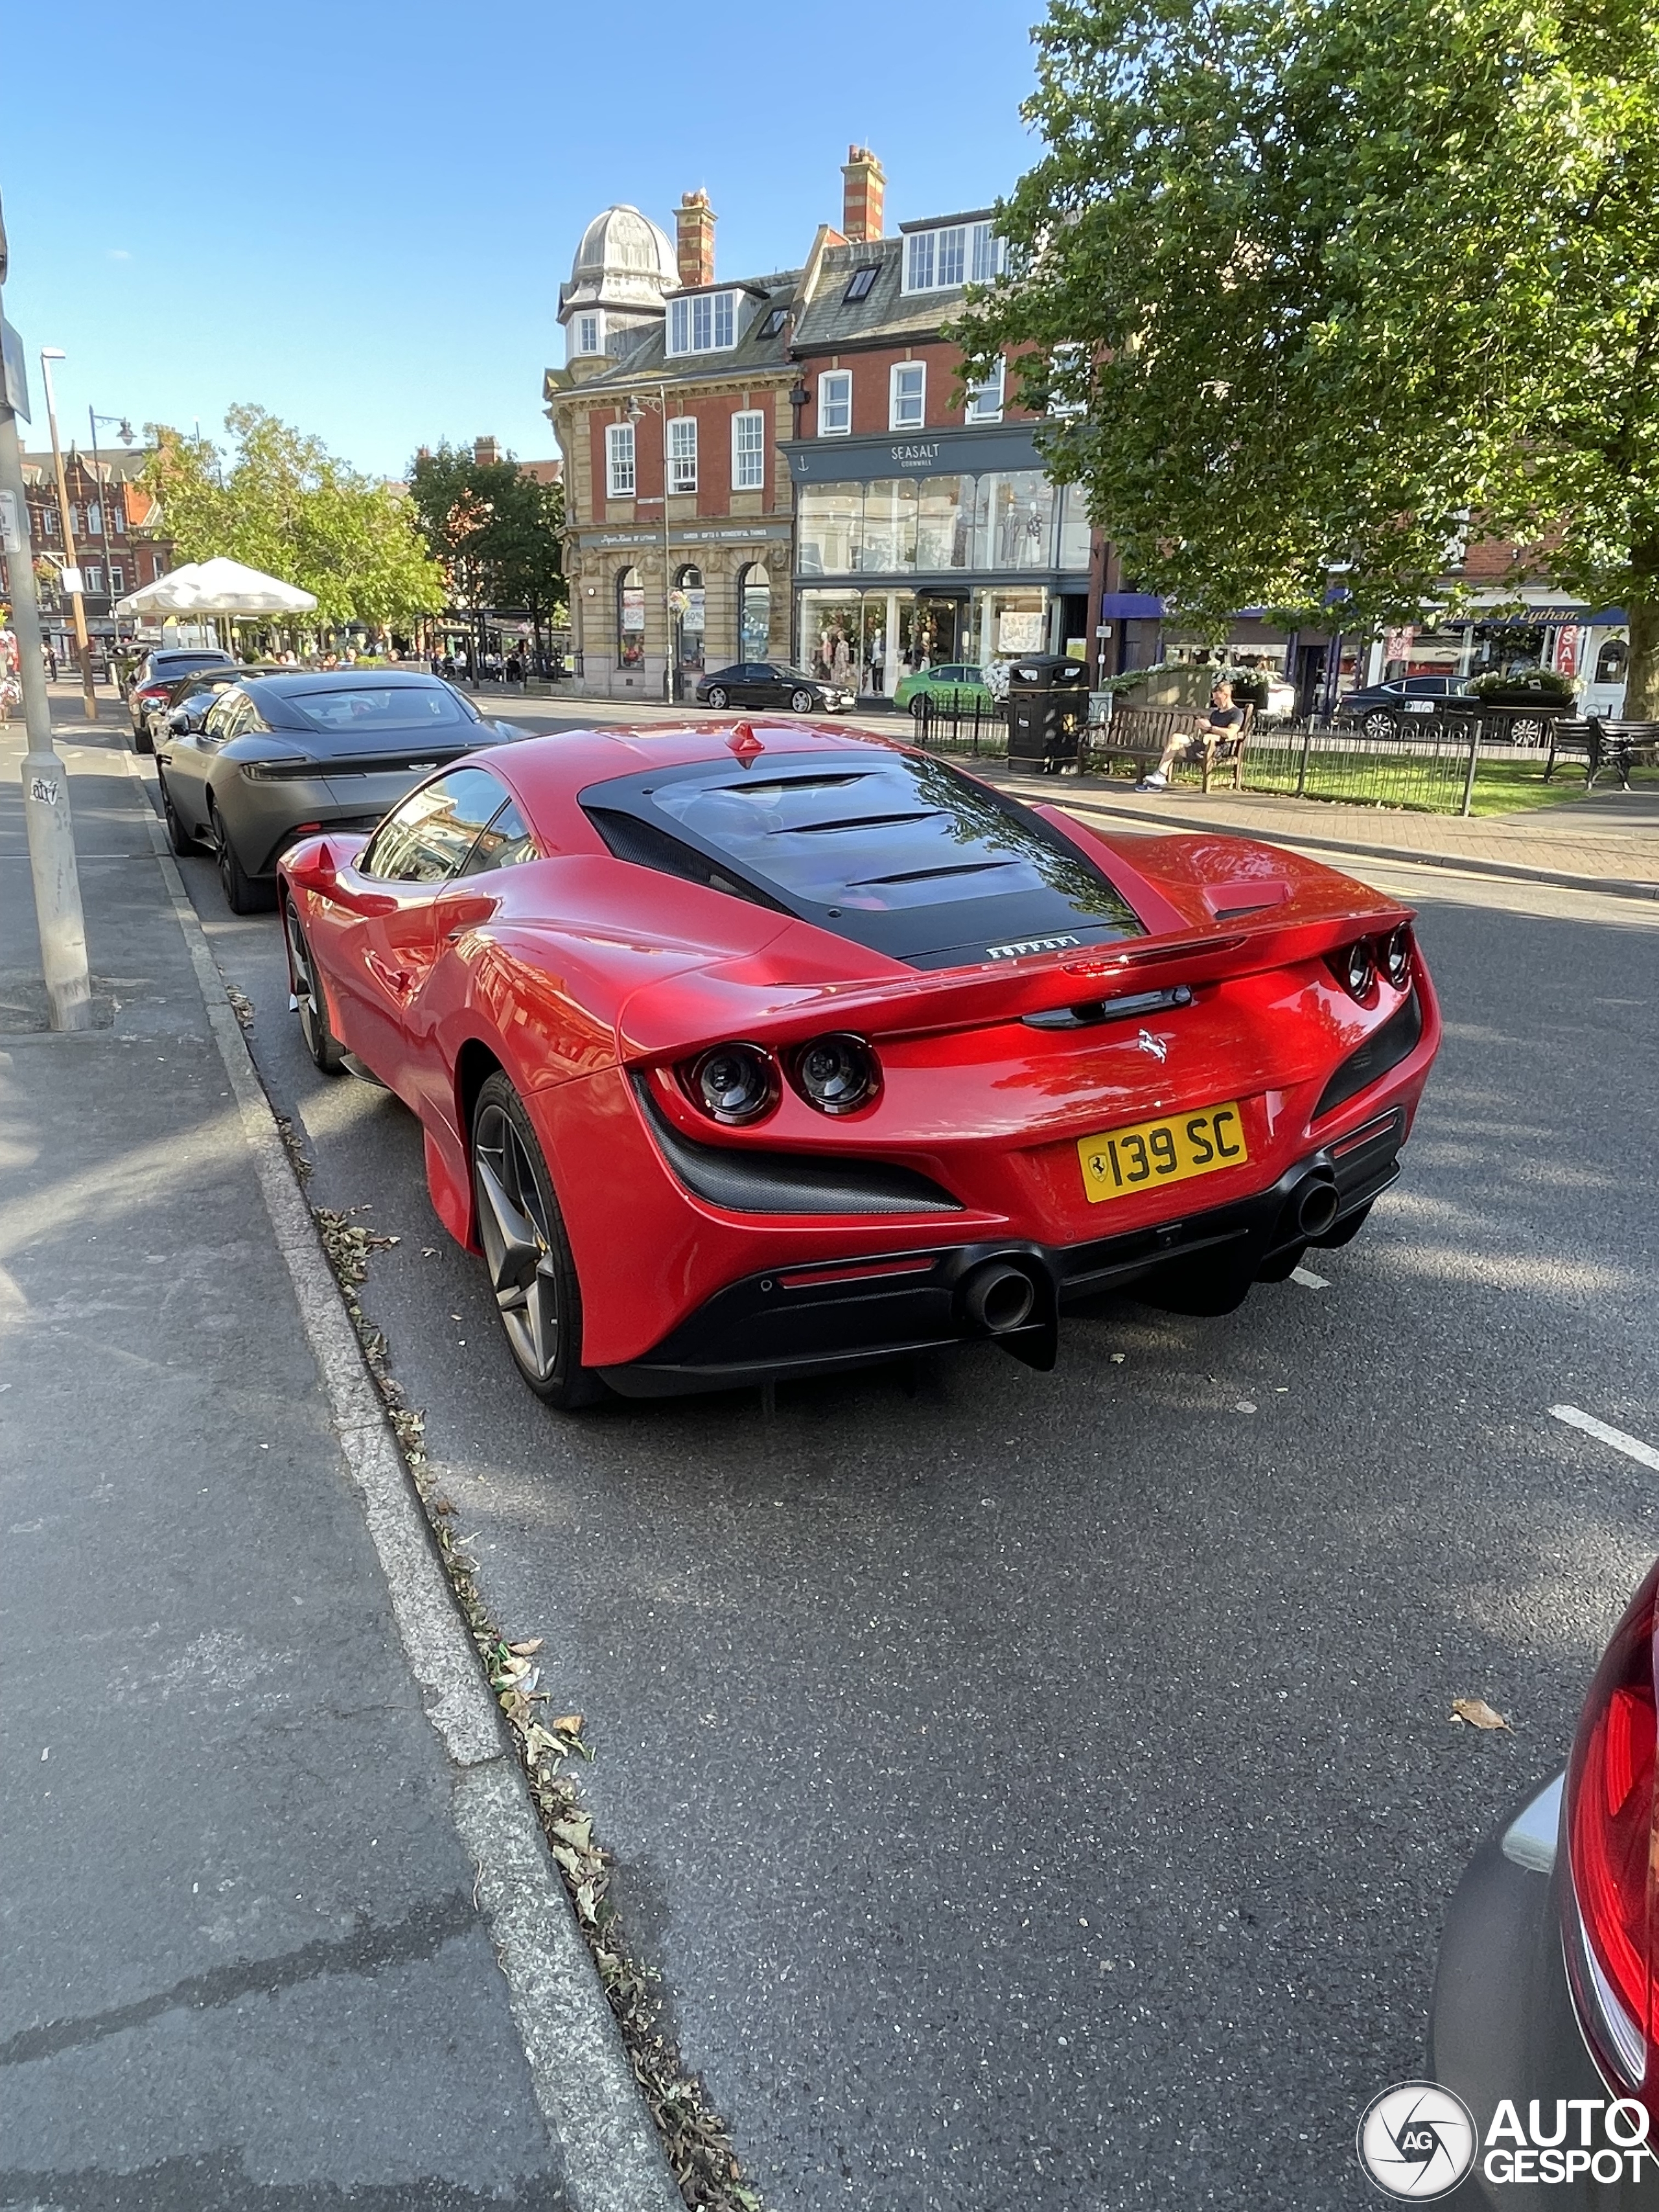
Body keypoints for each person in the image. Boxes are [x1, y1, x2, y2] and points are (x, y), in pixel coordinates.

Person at [1134, 682, 1245, 791]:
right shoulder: (1215, 714)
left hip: (1217, 750)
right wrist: (1202, 728)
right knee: (1175, 739)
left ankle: (1158, 778)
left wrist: (1211, 728)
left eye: (1217, 699)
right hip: (1203, 745)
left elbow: (1230, 733)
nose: (1215, 702)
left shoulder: (1236, 713)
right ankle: (1160, 776)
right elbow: (1206, 734)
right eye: (1214, 699)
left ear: (1226, 695)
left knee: (1172, 747)